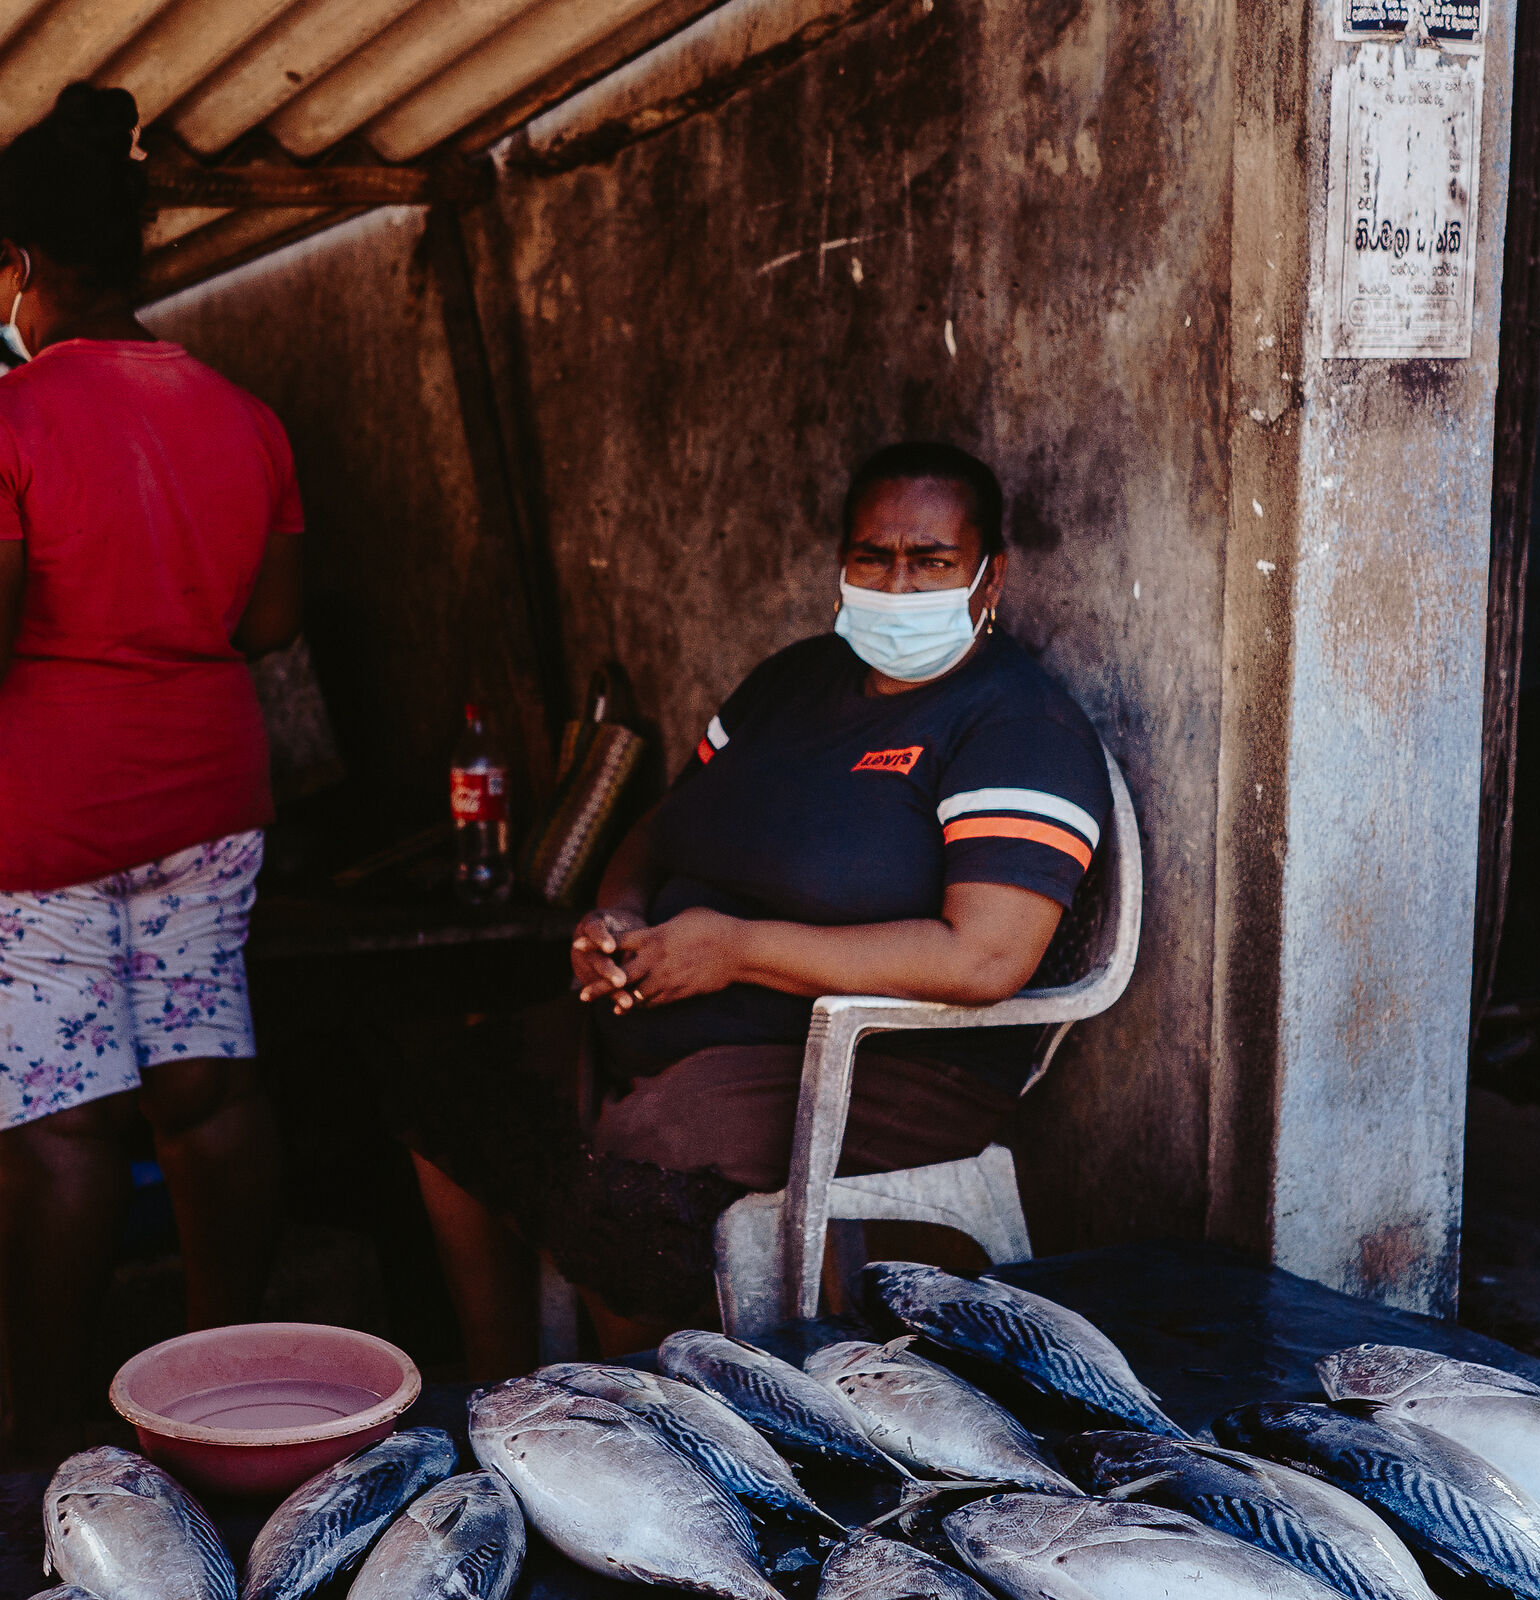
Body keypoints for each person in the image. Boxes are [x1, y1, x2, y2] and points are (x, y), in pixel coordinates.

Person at [397, 442, 1110, 1376]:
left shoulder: (1014, 722)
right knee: (452, 1078)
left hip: (890, 1062)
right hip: (675, 1004)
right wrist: (612, 920)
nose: (898, 583)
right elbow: (657, 831)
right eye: (872, 556)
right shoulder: (794, 683)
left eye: (931, 560)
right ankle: (500, 1386)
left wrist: (738, 951)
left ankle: (666, 1436)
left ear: (989, 576)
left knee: (634, 1173)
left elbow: (984, 959)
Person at [0, 86, 304, 1457]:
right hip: (210, 804)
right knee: (210, 1087)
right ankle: (224, 1399)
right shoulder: (242, 417)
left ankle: (46, 1437)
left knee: (62, 1129)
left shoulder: (12, 417)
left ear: (16, 268)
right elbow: (271, 623)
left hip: (42, 819)